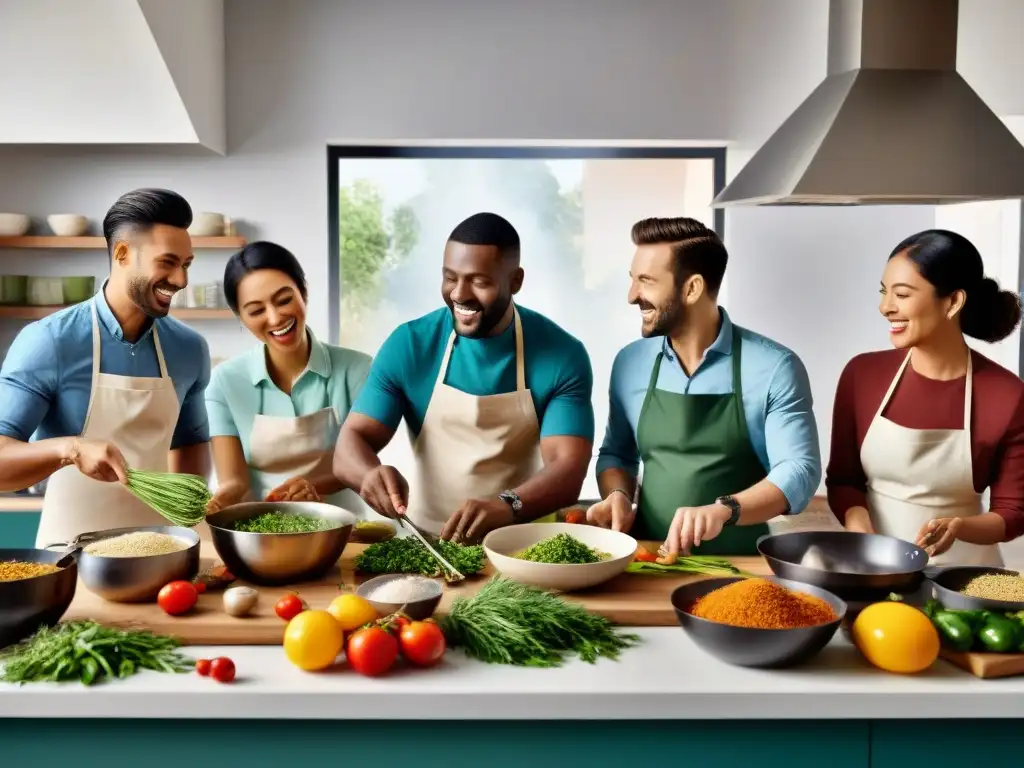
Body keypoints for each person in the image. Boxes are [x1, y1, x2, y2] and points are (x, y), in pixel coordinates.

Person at [334, 212, 594, 541]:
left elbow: (568, 468)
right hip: (428, 542)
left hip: (522, 544)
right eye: (450, 277)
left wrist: (507, 505)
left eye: (479, 281)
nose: (459, 294)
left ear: (515, 281)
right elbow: (350, 444)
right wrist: (368, 474)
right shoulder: (410, 345)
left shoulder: (562, 354)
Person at [587, 217, 821, 558]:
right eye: (632, 280)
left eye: (646, 282)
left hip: (740, 564)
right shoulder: (630, 363)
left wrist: (726, 509)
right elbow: (617, 454)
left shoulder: (774, 367)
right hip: (646, 557)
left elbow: (799, 470)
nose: (632, 296)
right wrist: (617, 495)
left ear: (692, 288)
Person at [0, 188, 211, 546]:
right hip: (69, 553)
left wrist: (190, 514)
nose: (181, 280)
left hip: (160, 548)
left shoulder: (189, 349)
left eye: (186, 264)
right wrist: (71, 449)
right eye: (168, 262)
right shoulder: (49, 342)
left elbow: (190, 445)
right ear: (123, 254)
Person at [826, 229, 1024, 566]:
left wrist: (960, 527)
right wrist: (864, 538)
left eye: (901, 294)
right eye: (884, 292)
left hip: (965, 582)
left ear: (952, 302)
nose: (885, 307)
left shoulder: (1006, 394)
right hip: (876, 570)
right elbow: (844, 480)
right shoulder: (861, 375)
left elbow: (1013, 511)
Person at [204, 242, 372, 512]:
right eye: (256, 311)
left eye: (284, 300)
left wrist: (312, 485)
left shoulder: (358, 370)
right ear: (240, 317)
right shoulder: (224, 382)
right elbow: (234, 481)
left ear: (303, 292)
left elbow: (362, 465)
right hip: (260, 535)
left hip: (346, 531)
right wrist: (217, 502)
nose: (275, 317)